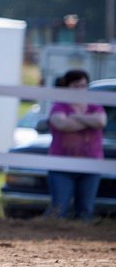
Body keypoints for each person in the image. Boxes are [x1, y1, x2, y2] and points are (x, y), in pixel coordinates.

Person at [45, 69, 106, 220]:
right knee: (60, 208)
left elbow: (101, 121)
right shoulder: (59, 106)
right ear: (67, 86)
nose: (81, 89)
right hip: (61, 165)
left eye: (83, 85)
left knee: (85, 210)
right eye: (76, 85)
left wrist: (76, 117)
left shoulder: (94, 106)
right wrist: (88, 121)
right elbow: (62, 124)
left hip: (91, 164)